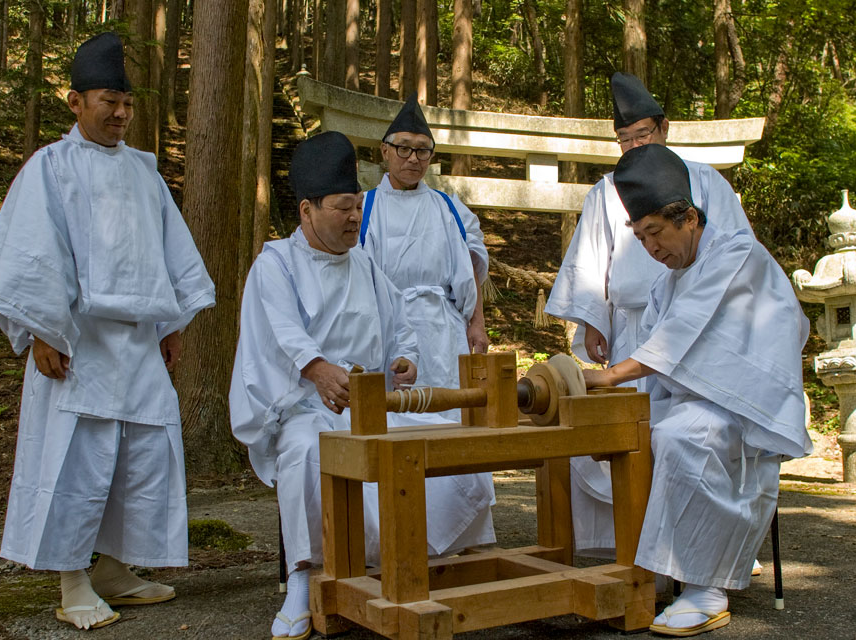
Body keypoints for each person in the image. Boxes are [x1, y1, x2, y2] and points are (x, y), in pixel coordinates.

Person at [0, 32, 215, 631]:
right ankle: (71, 579)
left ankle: (112, 569)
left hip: (138, 344)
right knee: (76, 461)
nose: (122, 113)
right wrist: (41, 331)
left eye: (128, 103)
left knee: (142, 458)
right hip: (78, 341)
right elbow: (32, 254)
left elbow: (167, 254)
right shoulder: (49, 168)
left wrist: (171, 323)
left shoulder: (145, 172)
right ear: (76, 102)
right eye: (110, 100)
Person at [229, 131, 495, 640]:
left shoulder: (365, 264)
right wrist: (317, 369)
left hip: (371, 404)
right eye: (342, 208)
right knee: (308, 452)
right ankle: (303, 582)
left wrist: (404, 359)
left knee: (452, 443)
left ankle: (429, 561)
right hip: (303, 408)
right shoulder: (275, 265)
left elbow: (400, 329)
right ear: (307, 210)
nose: (355, 217)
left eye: (356, 206)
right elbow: (281, 331)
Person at [582, 144, 812, 637]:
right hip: (690, 398)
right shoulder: (666, 282)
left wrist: (608, 375)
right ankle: (648, 571)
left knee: (687, 438)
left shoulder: (736, 252)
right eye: (640, 237)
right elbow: (661, 353)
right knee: (612, 438)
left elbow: (682, 333)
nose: (651, 248)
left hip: (746, 405)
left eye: (656, 233)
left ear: (688, 217)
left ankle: (705, 588)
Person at [545, 72, 753, 556]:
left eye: (643, 134)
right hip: (633, 327)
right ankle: (619, 541)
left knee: (681, 430)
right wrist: (593, 317)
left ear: (664, 128)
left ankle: (704, 541)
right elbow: (592, 258)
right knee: (621, 428)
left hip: (700, 328)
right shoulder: (605, 191)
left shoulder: (704, 182)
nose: (635, 144)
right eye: (625, 139)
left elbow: (732, 261)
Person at [360, 94, 490, 403]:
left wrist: (478, 323)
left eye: (422, 151)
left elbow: (470, 265)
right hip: (387, 324)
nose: (413, 158)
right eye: (404, 148)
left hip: (442, 326)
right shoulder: (365, 207)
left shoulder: (447, 206)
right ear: (385, 152)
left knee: (450, 408)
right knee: (393, 411)